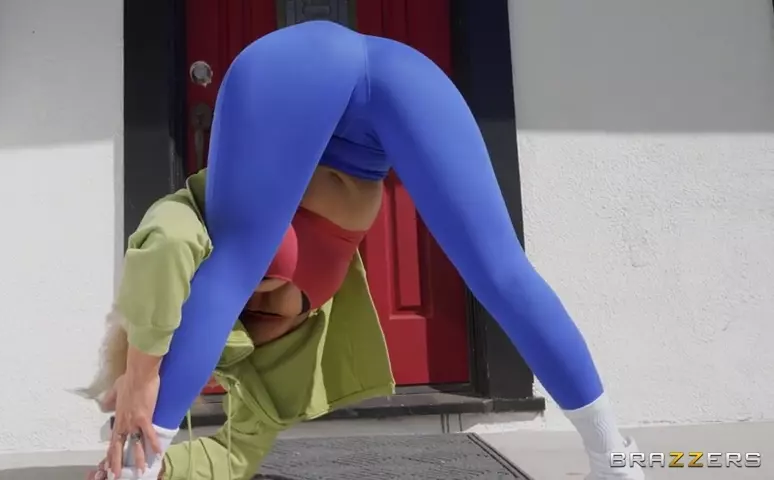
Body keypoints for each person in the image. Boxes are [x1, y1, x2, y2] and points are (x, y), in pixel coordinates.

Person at [84, 20, 645, 480]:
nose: (255, 314)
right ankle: (616, 460)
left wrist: (143, 372)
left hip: (292, 67)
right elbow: (232, 456)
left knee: (236, 266)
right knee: (502, 272)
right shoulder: (279, 383)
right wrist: (165, 463)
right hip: (397, 79)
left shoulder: (194, 231)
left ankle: (133, 470)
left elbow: (169, 254)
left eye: (242, 321)